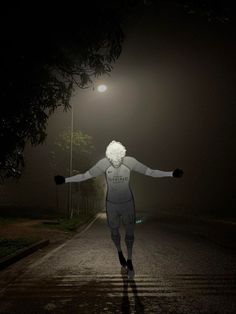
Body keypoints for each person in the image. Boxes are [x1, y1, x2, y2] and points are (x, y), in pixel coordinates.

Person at [54, 140, 183, 279]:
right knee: (114, 232)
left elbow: (151, 172)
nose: (115, 163)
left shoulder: (130, 162)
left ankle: (130, 260)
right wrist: (65, 180)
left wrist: (171, 174)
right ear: (108, 157)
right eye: (112, 160)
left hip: (127, 203)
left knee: (129, 233)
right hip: (112, 204)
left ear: (122, 156)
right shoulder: (103, 164)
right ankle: (119, 251)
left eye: (118, 160)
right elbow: (85, 175)